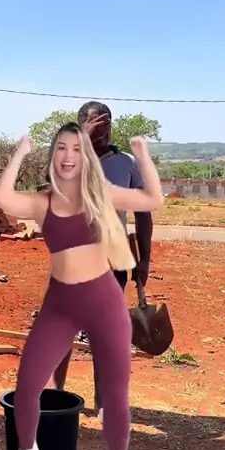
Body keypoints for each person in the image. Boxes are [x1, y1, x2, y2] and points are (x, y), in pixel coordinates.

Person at [0, 120, 163, 450]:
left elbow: (153, 200)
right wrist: (20, 152)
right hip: (60, 305)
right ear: (53, 155)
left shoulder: (101, 195)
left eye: (76, 149)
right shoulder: (43, 202)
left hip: (104, 302)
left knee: (115, 393)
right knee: (28, 385)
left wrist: (143, 156)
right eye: (61, 148)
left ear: (86, 158)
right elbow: (2, 197)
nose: (68, 156)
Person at [53, 102, 153, 415]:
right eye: (95, 125)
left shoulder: (126, 163)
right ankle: (56, 397)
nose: (103, 131)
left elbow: (143, 211)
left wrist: (145, 258)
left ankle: (102, 402)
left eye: (107, 124)